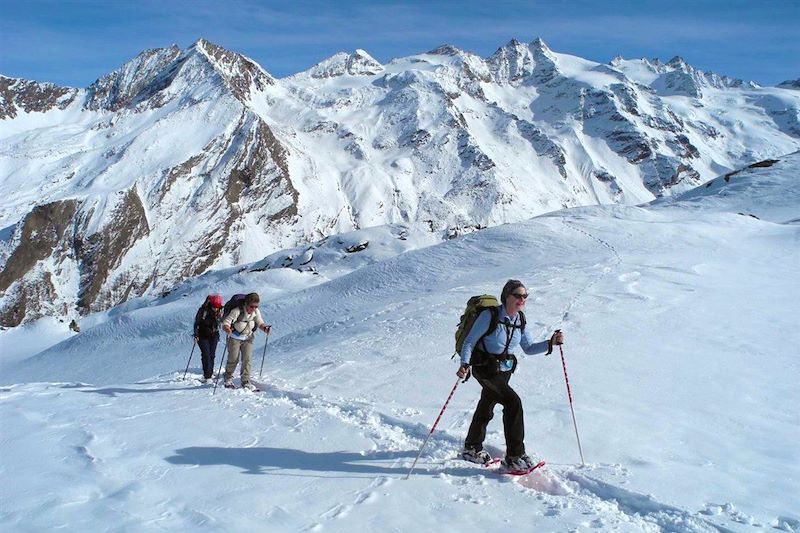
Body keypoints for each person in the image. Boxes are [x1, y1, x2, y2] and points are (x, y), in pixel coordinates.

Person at [457, 279, 564, 471]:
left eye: (525, 296)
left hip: (504, 370)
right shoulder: (490, 316)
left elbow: (529, 348)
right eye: (518, 295)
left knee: (486, 405)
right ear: (507, 296)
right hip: (484, 367)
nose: (522, 299)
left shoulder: (519, 320)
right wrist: (465, 363)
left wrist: (551, 343)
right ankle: (514, 456)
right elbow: (469, 342)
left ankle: (472, 447)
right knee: (513, 402)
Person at [221, 292, 271, 390]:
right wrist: (227, 328)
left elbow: (260, 322)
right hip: (235, 338)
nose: (254, 309)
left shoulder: (256, 312)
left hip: (248, 338)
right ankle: (228, 378)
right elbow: (227, 321)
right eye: (252, 306)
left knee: (247, 359)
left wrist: (265, 328)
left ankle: (246, 381)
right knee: (233, 359)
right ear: (246, 304)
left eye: (256, 306)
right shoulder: (237, 311)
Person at [194, 294, 223, 382]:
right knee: (206, 354)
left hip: (214, 335)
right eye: (214, 307)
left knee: (212, 355)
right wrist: (196, 335)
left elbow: (222, 322)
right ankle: (207, 375)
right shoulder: (203, 311)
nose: (216, 309)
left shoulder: (220, 312)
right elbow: (196, 323)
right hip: (202, 335)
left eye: (218, 307)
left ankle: (209, 372)